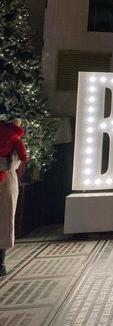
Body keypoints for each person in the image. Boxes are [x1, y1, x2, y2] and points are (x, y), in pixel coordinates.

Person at [0, 118, 28, 276]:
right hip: (7, 176)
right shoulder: (13, 136)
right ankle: (0, 263)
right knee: (5, 218)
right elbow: (23, 157)